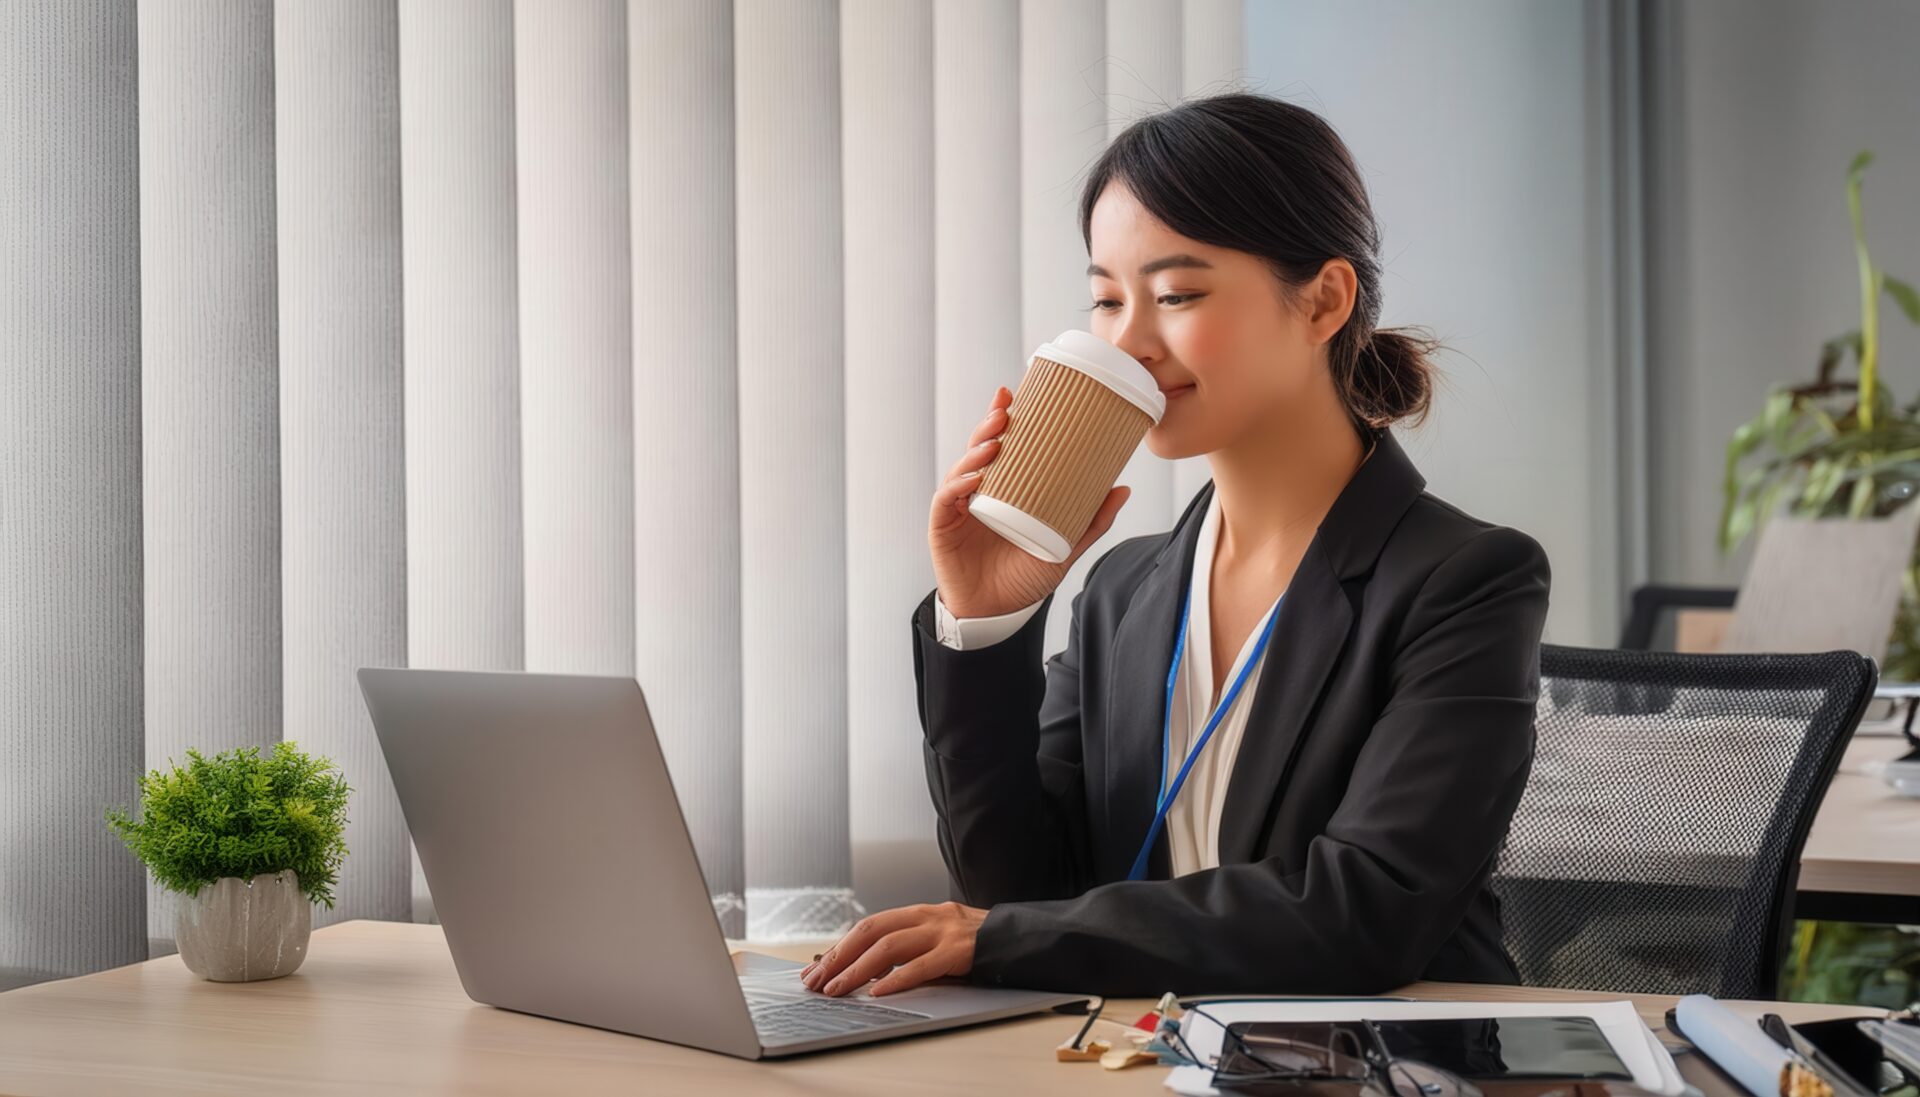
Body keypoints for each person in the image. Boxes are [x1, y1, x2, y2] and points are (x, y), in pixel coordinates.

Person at [801, 92, 1551, 999]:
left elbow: (1366, 911)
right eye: (1107, 300)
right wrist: (986, 618)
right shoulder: (1123, 587)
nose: (1129, 342)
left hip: (1378, 1058)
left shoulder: (1463, 580)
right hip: (1146, 1054)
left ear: (1322, 301)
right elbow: (1018, 896)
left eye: (1176, 295)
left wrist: (998, 937)